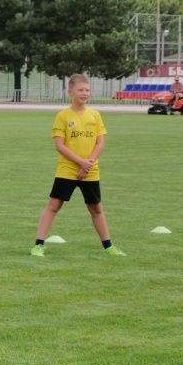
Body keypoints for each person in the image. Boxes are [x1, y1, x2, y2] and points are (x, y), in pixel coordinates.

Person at [31, 74, 125, 257]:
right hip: (68, 170)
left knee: (96, 208)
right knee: (53, 205)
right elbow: (60, 145)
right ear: (70, 92)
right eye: (81, 90)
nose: (85, 93)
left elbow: (100, 143)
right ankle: (38, 245)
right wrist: (80, 162)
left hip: (90, 170)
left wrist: (87, 164)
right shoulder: (63, 116)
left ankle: (109, 246)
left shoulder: (95, 115)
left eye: (87, 90)